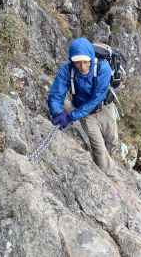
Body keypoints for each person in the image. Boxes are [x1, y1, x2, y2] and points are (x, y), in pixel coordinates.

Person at [47, 37, 119, 176]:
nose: (82, 66)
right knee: (99, 149)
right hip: (85, 113)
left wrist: (70, 116)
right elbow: (56, 94)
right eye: (77, 63)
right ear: (72, 61)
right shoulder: (67, 70)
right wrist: (57, 113)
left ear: (91, 58)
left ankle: (111, 158)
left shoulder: (103, 68)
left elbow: (96, 98)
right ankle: (110, 175)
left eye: (85, 62)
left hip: (105, 108)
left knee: (112, 140)